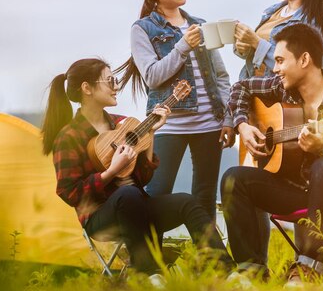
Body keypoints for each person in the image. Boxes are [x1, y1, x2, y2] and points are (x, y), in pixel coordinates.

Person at [42, 58, 232, 275]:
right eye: (110, 81)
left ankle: (223, 270)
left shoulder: (123, 124)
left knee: (186, 202)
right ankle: (149, 273)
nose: (116, 87)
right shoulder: (69, 137)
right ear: (87, 88)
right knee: (128, 194)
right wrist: (110, 172)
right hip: (101, 218)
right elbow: (69, 192)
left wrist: (151, 134)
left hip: (137, 207)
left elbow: (142, 178)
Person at [221, 24, 323, 282]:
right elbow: (240, 88)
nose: (275, 68)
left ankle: (307, 271)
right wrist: (244, 125)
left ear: (304, 59)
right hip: (299, 192)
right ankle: (250, 273)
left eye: (281, 60)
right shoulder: (282, 88)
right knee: (233, 179)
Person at [116, 0, 235, 222]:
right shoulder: (142, 29)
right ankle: (152, 257)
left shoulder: (200, 24)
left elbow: (222, 76)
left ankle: (205, 261)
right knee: (158, 193)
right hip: (168, 125)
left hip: (210, 124)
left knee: (204, 196)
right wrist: (182, 46)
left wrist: (228, 118)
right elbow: (152, 76)